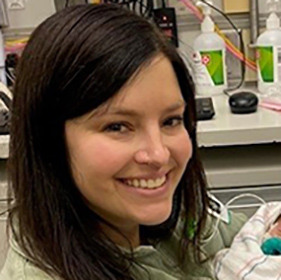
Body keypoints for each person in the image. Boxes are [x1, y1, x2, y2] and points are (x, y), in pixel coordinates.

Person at [0, 4, 246, 280]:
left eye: (171, 121)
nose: (159, 154)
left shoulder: (172, 215)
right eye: (117, 126)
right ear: (48, 138)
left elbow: (251, 231)